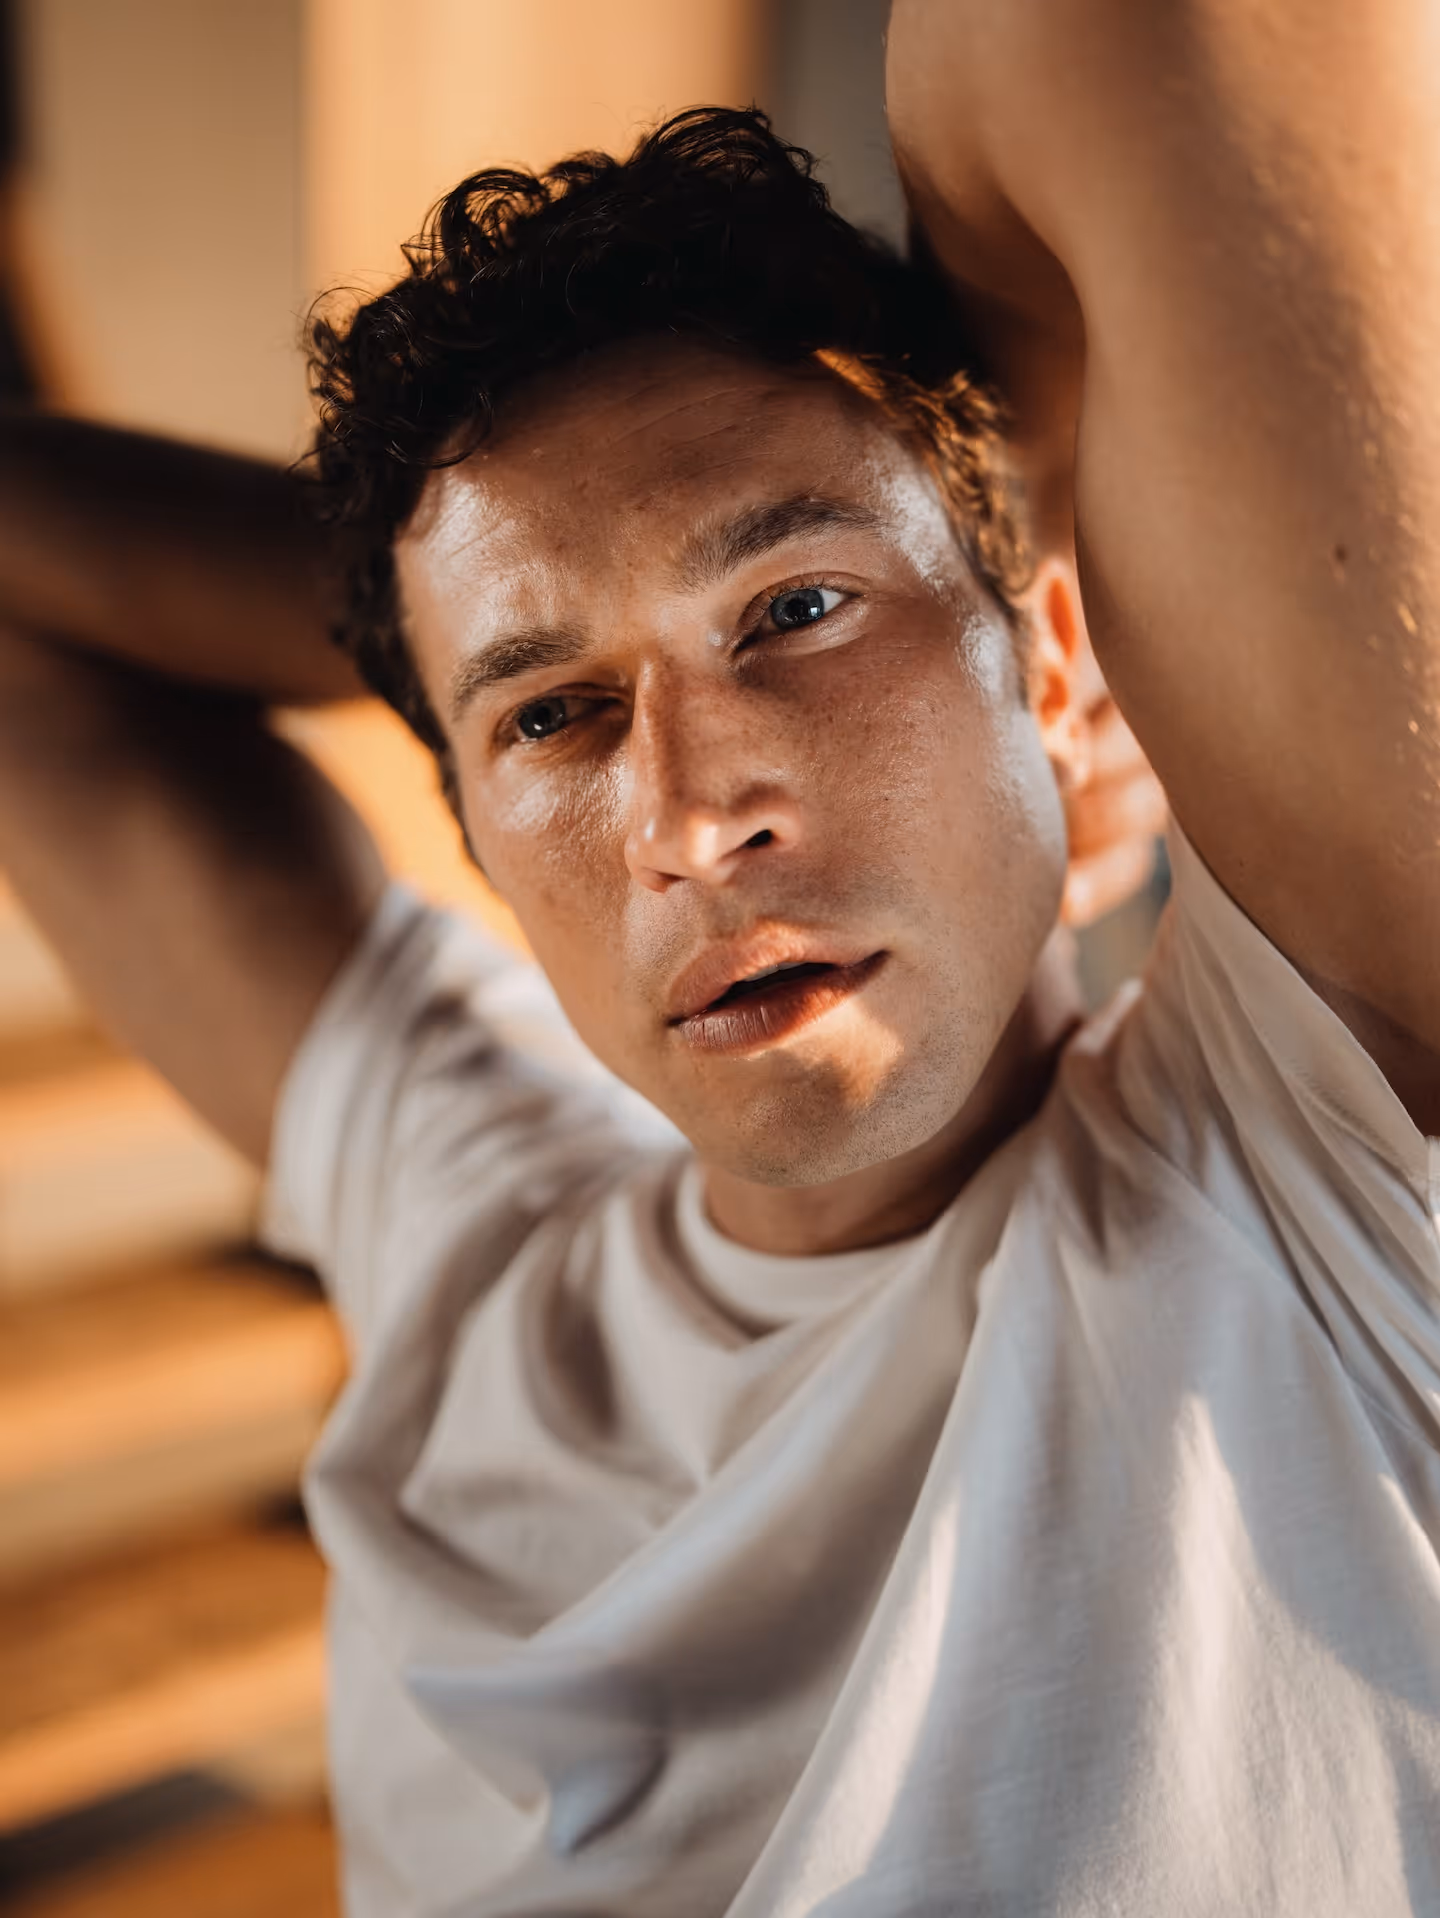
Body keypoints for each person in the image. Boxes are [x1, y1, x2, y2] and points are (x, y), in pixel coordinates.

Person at [0, 0, 1436, 1900]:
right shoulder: (475, 1228)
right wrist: (433, 593)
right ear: (478, 838)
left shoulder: (1325, 1188)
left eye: (798, 605)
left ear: (1061, 688)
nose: (686, 817)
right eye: (556, 717)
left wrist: (987, 509)